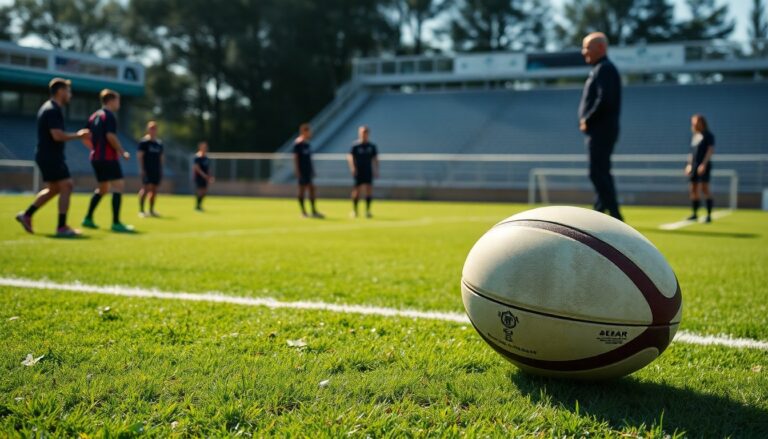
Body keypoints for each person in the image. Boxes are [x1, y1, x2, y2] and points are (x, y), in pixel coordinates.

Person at [15, 78, 90, 236]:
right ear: (60, 91)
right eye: (68, 91)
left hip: (47, 155)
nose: (70, 94)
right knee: (67, 185)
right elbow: (57, 136)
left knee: (54, 188)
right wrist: (79, 135)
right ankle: (62, 227)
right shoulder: (52, 110)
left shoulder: (51, 108)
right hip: (50, 156)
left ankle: (26, 215)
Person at [578, 32, 623, 221]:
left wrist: (587, 119)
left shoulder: (605, 69)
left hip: (601, 130)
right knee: (600, 171)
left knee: (597, 172)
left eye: (587, 47)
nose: (583, 52)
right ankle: (600, 213)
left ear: (601, 48)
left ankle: (614, 216)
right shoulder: (600, 69)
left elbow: (605, 100)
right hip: (601, 129)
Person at [81, 89, 133, 232]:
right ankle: (116, 223)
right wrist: (122, 152)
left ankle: (88, 218)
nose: (119, 104)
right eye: (118, 100)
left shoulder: (94, 116)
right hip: (108, 158)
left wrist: (94, 149)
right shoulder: (109, 116)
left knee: (103, 189)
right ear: (110, 101)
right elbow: (110, 136)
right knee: (119, 186)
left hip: (96, 158)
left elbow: (84, 136)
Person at [685, 114, 715, 222]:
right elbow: (691, 153)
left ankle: (708, 215)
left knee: (704, 188)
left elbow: (710, 150)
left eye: (695, 122)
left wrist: (704, 164)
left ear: (701, 122)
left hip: (703, 165)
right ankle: (695, 213)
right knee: (693, 189)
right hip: (693, 166)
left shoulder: (708, 135)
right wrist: (688, 165)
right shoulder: (695, 136)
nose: (694, 124)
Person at [347, 126, 379, 218]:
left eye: (365, 132)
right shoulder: (355, 146)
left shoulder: (372, 146)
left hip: (368, 171)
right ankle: (355, 210)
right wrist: (353, 168)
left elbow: (375, 158)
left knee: (369, 189)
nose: (363, 134)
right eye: (361, 132)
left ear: (368, 134)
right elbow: (350, 157)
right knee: (357, 190)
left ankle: (368, 211)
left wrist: (376, 170)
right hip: (358, 171)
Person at [293, 123, 324, 218]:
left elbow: (309, 158)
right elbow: (296, 157)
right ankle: (303, 212)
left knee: (312, 189)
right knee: (302, 190)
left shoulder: (307, 144)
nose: (310, 133)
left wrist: (312, 169)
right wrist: (297, 170)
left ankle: (313, 211)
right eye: (308, 131)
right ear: (304, 132)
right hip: (302, 171)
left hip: (308, 170)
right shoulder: (298, 143)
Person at [137, 121, 164, 217]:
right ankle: (141, 210)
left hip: (156, 170)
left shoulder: (159, 143)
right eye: (151, 128)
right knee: (146, 189)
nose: (153, 130)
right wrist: (142, 169)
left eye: (154, 128)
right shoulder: (144, 142)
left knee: (154, 190)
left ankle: (151, 210)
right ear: (148, 129)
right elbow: (140, 156)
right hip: (147, 169)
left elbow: (161, 158)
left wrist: (161, 169)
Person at [192, 141, 214, 211]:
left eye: (205, 147)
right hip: (199, 176)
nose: (205, 148)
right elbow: (196, 168)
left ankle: (200, 205)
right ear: (200, 147)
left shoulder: (206, 157)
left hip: (205, 177)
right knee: (200, 190)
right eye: (203, 147)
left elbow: (208, 168)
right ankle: (197, 206)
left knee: (204, 191)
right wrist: (203, 175)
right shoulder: (197, 157)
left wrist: (210, 176)